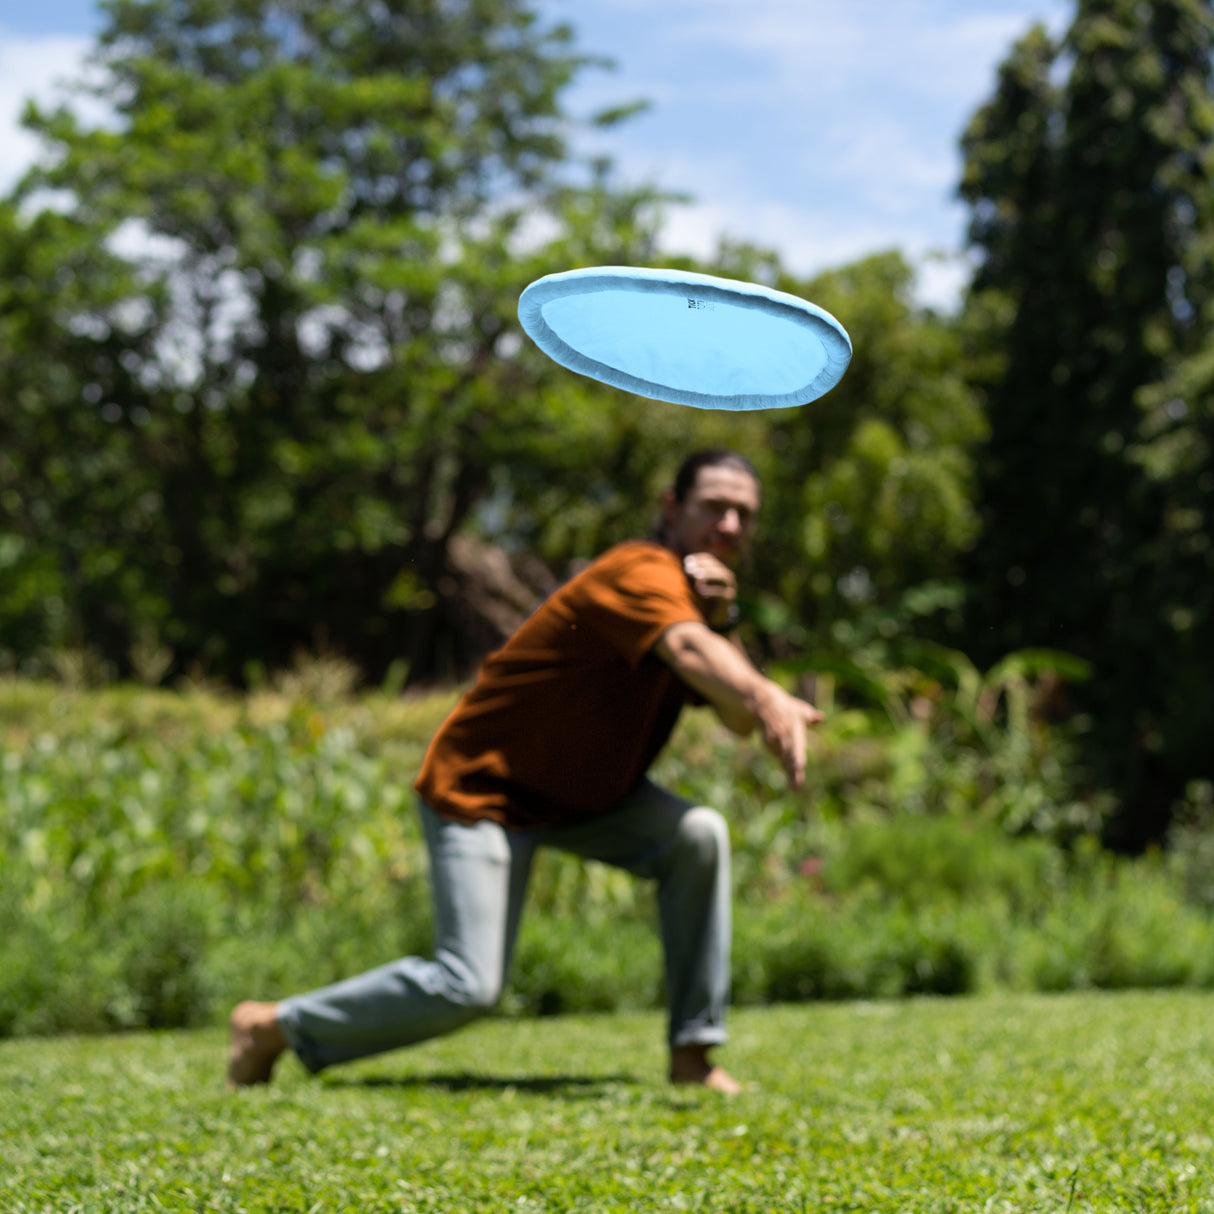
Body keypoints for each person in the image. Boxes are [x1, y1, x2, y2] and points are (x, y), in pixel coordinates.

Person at [228, 448, 822, 1094]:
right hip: (486, 789)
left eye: (745, 514)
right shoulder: (638, 570)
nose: (730, 526)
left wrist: (726, 624)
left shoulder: (698, 607)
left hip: (588, 799)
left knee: (697, 835)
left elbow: (732, 715)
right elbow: (688, 650)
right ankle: (275, 1027)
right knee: (469, 985)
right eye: (714, 507)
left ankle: (693, 1056)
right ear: (671, 508)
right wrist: (766, 693)